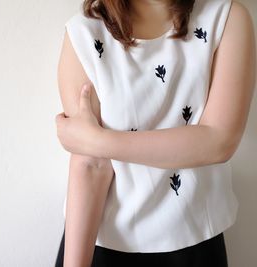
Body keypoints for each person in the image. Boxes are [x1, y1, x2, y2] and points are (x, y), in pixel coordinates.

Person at [54, 0, 255, 266]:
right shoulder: (85, 34)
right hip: (103, 245)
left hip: (193, 243)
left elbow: (219, 141)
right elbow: (90, 164)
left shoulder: (227, 18)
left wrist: (100, 141)